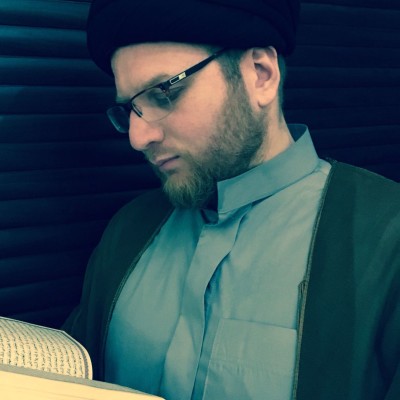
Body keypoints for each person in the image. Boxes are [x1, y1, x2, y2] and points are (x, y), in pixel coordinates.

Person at [63, 0, 400, 399]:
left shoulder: (386, 243)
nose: (138, 137)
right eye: (130, 109)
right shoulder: (128, 231)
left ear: (260, 74)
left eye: (164, 93)